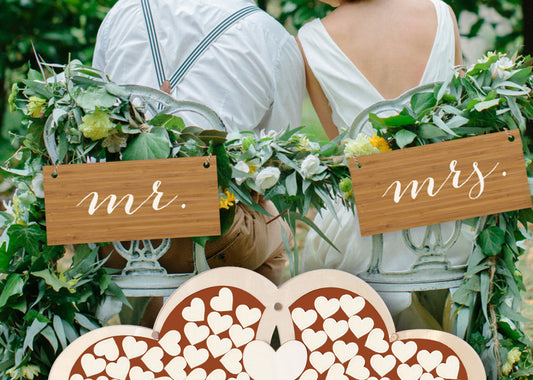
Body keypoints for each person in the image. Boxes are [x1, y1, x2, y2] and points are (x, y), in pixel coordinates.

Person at [92, 0, 305, 324]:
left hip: (112, 231)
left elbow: (94, 110)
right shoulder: (271, 37)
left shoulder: (122, 11)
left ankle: (152, 334)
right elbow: (277, 166)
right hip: (211, 238)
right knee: (278, 229)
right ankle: (227, 341)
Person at [299, 0, 476, 327]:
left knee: (320, 246)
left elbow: (340, 143)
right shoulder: (440, 12)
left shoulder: (310, 39)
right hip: (447, 225)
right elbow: (461, 120)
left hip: (366, 229)